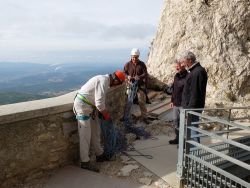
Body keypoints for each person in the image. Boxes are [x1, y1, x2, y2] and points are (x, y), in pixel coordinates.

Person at [73, 70, 126, 172]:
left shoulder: (105, 81)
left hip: (89, 107)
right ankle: (85, 162)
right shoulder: (103, 81)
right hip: (82, 106)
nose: (115, 86)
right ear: (115, 80)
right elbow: (100, 104)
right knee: (85, 135)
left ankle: (99, 154)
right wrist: (106, 115)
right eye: (117, 84)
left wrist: (103, 113)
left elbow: (98, 102)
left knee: (96, 131)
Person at [180, 51, 208, 143]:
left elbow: (195, 93)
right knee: (191, 130)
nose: (183, 63)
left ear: (190, 60)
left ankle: (195, 152)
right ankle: (192, 151)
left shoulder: (197, 72)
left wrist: (189, 110)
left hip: (193, 107)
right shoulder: (194, 71)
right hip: (191, 107)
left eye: (184, 61)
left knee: (193, 130)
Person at [124, 48, 149, 124]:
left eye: (136, 57)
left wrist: (139, 77)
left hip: (140, 85)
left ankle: (144, 117)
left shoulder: (142, 64)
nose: (134, 58)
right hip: (131, 85)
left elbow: (145, 74)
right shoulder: (127, 64)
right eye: (133, 57)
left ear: (138, 57)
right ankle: (127, 116)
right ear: (131, 56)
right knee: (128, 101)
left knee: (141, 101)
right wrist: (127, 76)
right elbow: (124, 73)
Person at [169, 60, 188, 145]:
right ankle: (177, 139)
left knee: (183, 123)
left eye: (178, 66)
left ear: (183, 66)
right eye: (175, 66)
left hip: (183, 104)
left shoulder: (188, 76)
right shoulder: (176, 76)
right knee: (175, 121)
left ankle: (183, 140)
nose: (176, 68)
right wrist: (172, 100)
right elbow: (174, 89)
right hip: (176, 103)